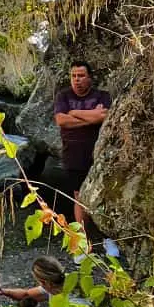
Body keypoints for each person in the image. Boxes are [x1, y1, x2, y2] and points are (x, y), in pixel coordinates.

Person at [53, 61, 111, 233]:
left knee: (103, 194)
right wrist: (91, 117)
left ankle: (107, 238)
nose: (76, 80)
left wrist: (74, 113)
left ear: (89, 78)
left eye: (81, 76)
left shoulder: (102, 96)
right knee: (79, 196)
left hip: (98, 151)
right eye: (73, 76)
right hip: (73, 153)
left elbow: (103, 116)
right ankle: (83, 240)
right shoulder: (63, 96)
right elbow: (61, 120)